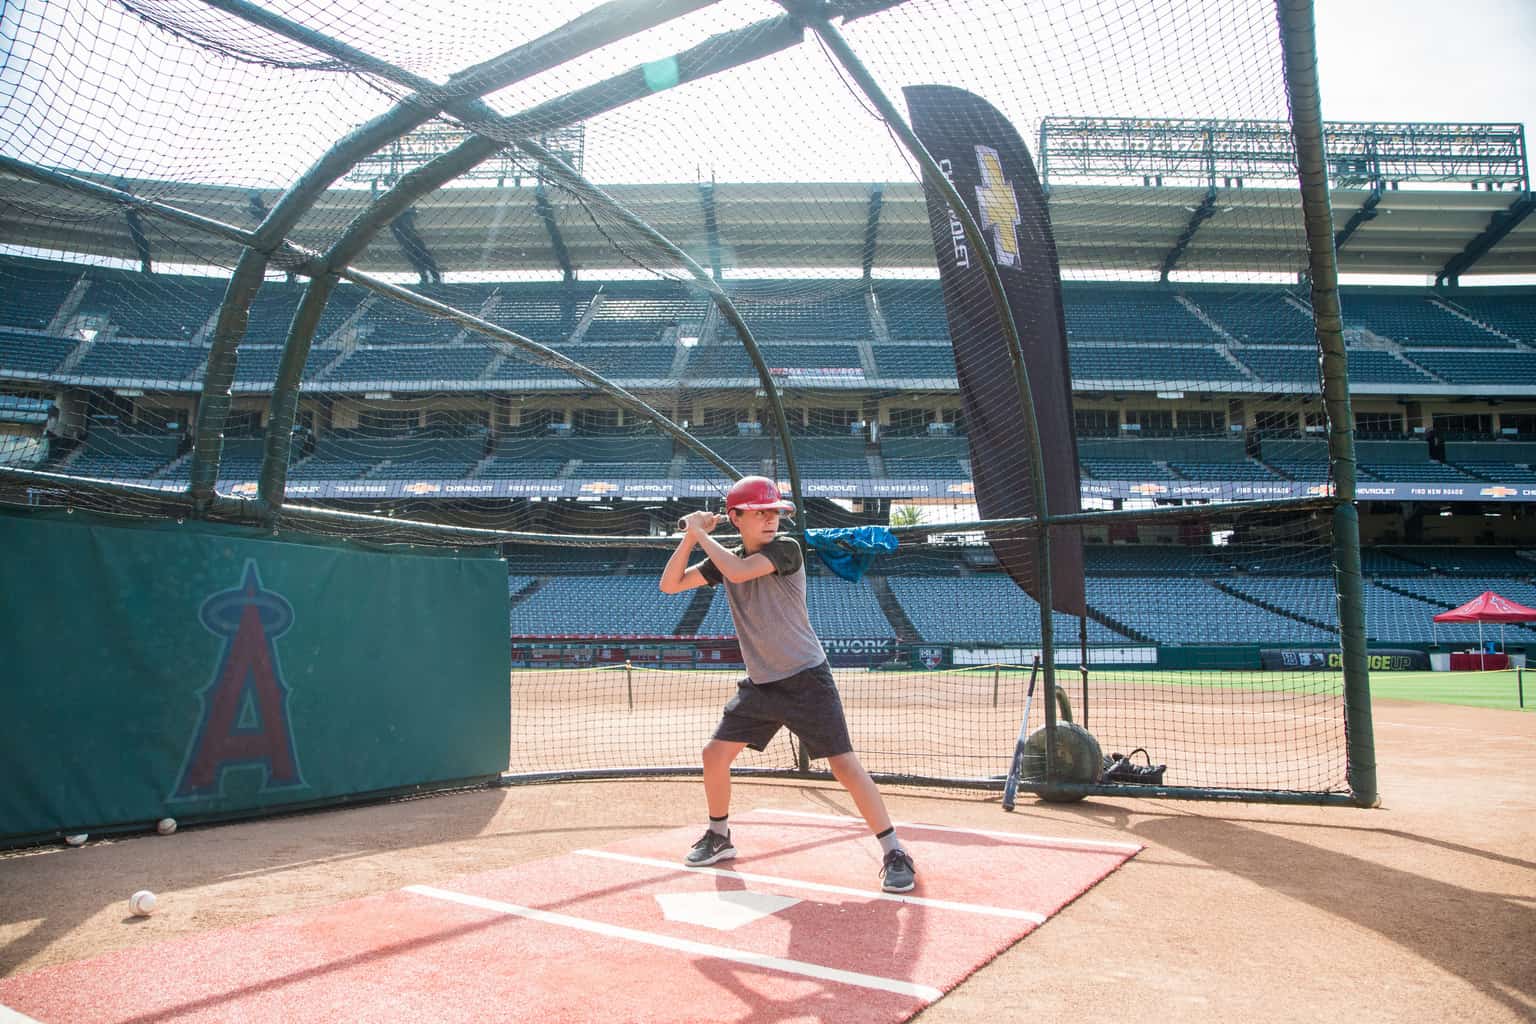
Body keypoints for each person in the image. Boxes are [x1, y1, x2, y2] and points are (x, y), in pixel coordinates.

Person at [659, 475, 917, 893]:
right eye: (759, 512)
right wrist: (691, 538)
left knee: (844, 765)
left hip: (805, 679)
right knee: (714, 755)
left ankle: (894, 851)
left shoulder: (785, 549)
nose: (770, 519)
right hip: (762, 685)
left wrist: (700, 535)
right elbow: (669, 585)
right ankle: (719, 835)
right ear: (735, 518)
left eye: (774, 512)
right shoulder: (723, 558)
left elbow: (740, 572)